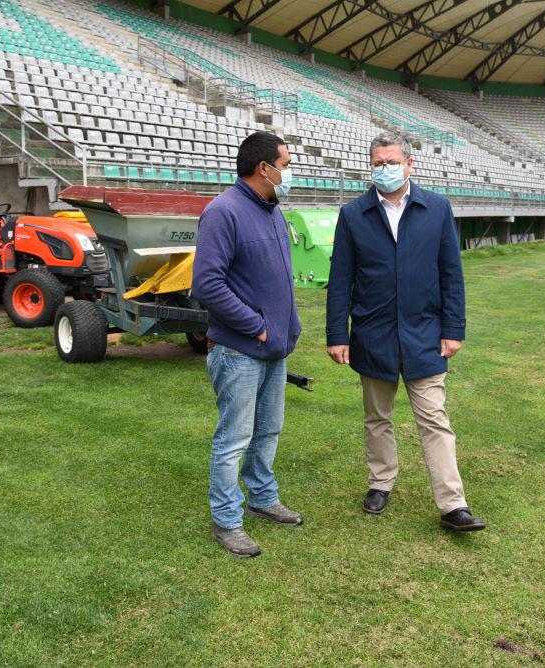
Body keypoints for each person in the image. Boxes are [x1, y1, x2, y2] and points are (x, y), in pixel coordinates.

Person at [325, 131, 485, 532]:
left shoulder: (436, 208)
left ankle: (453, 504)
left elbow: (451, 273)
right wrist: (336, 334)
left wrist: (454, 328)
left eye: (391, 161)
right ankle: (381, 482)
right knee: (377, 417)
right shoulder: (353, 214)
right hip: (372, 333)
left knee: (434, 418)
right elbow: (340, 279)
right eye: (378, 162)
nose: (385, 168)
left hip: (425, 334)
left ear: (409, 164)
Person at [193, 131, 303, 558]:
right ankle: (227, 521)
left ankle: (262, 496)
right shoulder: (223, 212)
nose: (288, 174)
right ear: (265, 168)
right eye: (286, 165)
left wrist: (285, 327)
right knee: (234, 438)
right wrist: (256, 326)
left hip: (274, 350)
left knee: (268, 431)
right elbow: (207, 284)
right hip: (239, 351)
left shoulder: (272, 210)